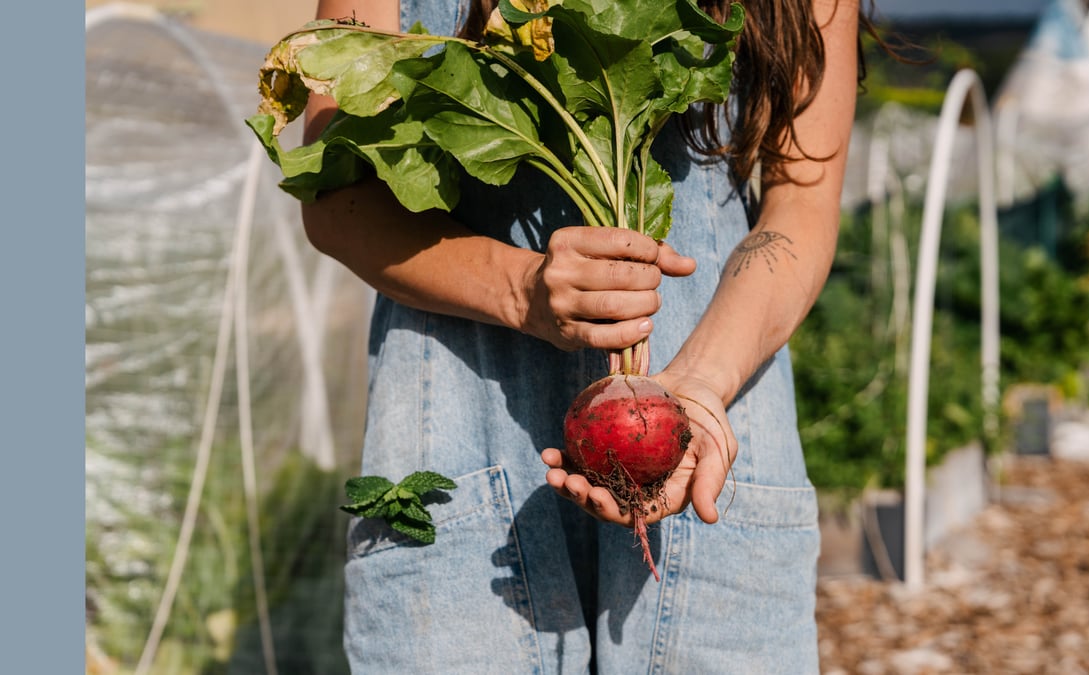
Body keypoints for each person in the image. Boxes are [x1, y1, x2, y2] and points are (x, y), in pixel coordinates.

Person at [301, 1, 863, 672]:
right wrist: (521, 288)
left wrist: (701, 384)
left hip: (716, 419)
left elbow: (802, 202)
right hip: (459, 436)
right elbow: (334, 194)